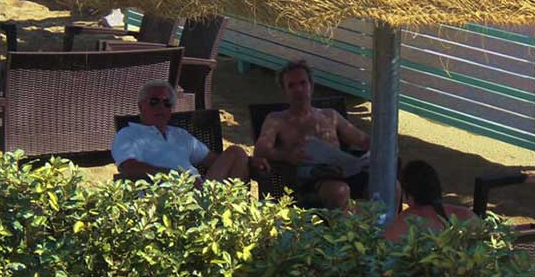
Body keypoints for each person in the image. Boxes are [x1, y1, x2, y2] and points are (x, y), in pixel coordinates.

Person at [254, 60, 370, 210]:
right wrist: (286, 155)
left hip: (345, 172)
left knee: (391, 186)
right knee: (339, 191)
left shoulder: (330, 116)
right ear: (284, 91)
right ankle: (349, 229)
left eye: (303, 83)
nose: (299, 89)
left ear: (311, 86)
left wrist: (378, 149)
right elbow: (260, 150)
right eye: (292, 86)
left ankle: (388, 231)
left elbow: (363, 140)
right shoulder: (276, 120)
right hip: (311, 181)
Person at [112, 79, 268, 182]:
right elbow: (128, 167)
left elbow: (214, 160)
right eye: (154, 102)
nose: (161, 107)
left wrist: (249, 160)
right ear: (141, 106)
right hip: (167, 199)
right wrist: (175, 177)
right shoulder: (128, 134)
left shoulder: (179, 134)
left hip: (201, 192)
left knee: (236, 152)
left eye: (167, 103)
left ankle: (234, 215)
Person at [384, 160, 475, 242]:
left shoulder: (406, 221)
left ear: (408, 194)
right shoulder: (466, 214)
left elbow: (384, 247)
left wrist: (396, 201)